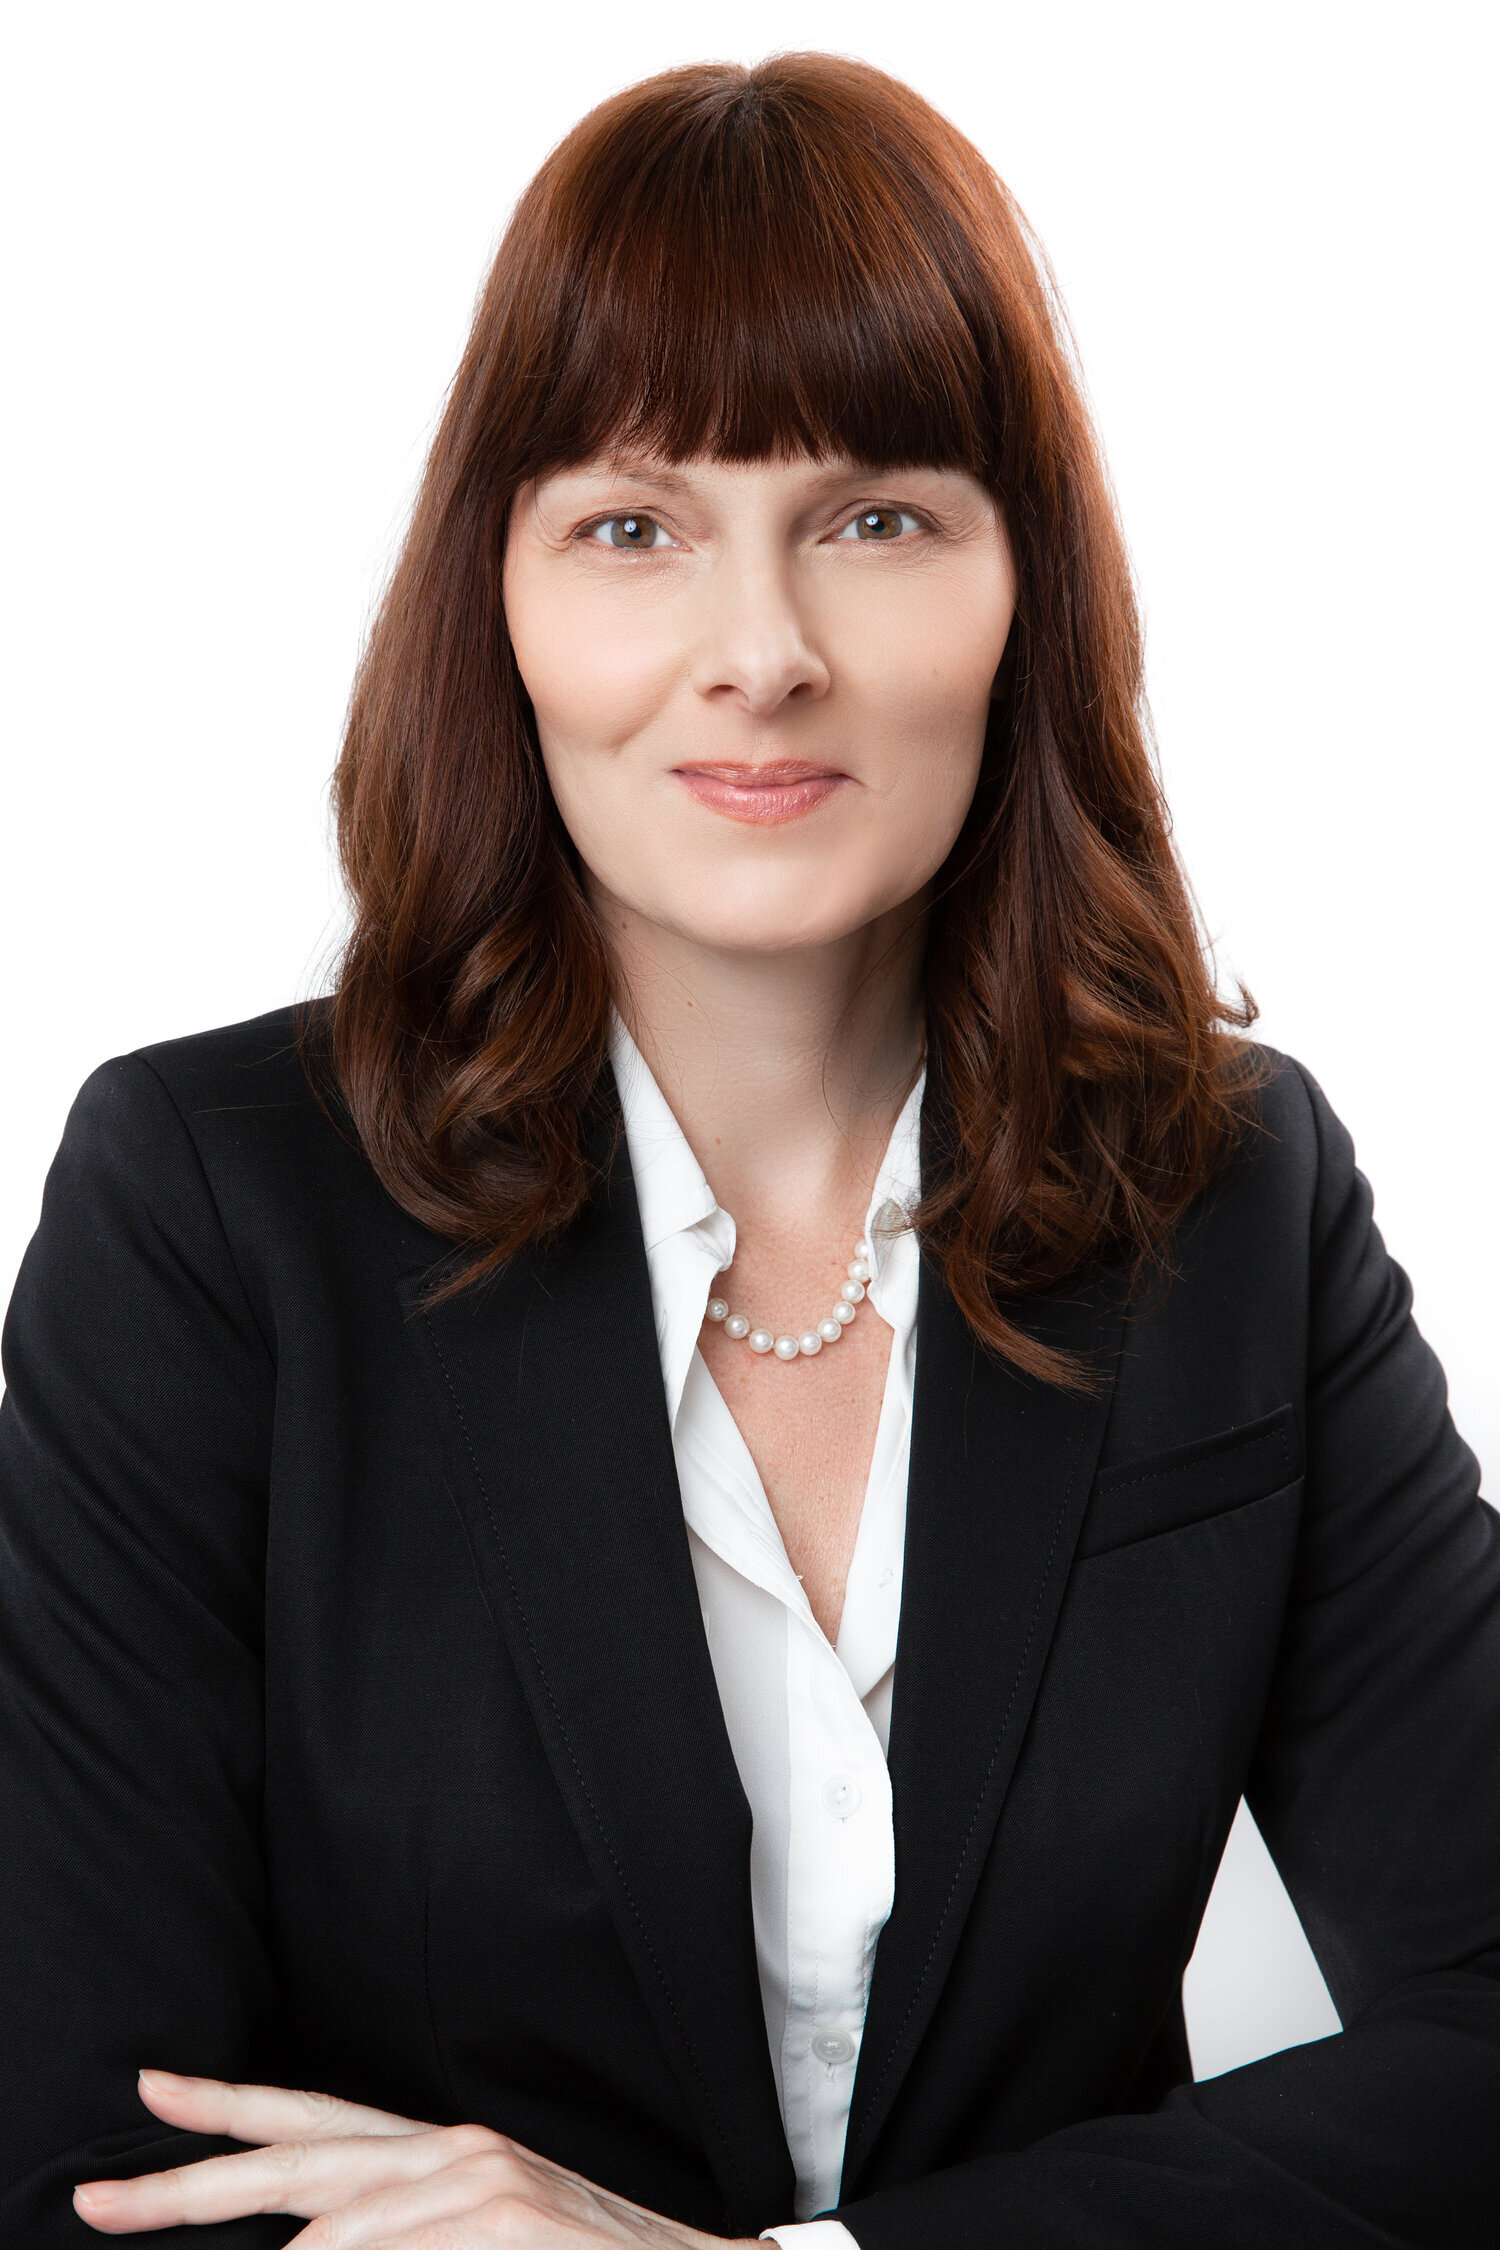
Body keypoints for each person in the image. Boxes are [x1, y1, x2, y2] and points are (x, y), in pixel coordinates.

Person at [1, 49, 1495, 2250]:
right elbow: (83, 2173)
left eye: (878, 518)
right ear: (495, 604)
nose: (763, 656)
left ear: (1023, 593)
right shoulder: (212, 1214)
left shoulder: (1229, 1195)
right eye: (634, 527)